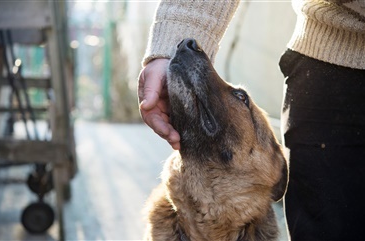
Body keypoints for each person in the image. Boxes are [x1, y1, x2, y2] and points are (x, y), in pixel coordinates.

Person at [137, 1, 365, 240]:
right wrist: (173, 39)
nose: (189, 46)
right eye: (239, 97)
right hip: (331, 65)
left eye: (239, 98)